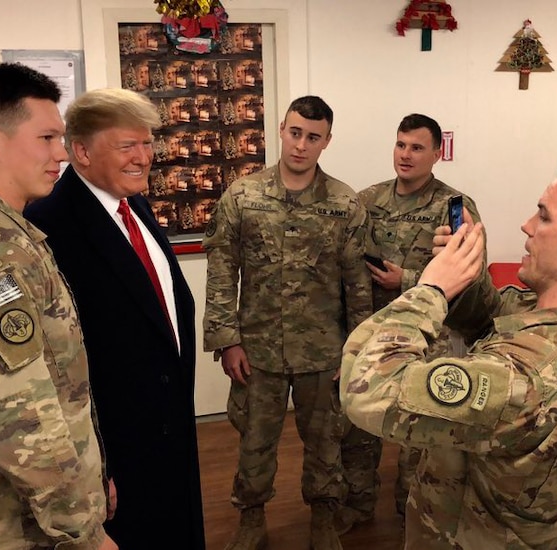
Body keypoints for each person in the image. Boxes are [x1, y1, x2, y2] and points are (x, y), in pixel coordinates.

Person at [341, 154, 557, 548]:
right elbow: (500, 318)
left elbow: (368, 388)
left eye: (544, 217)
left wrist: (431, 292)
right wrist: (462, 276)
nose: (526, 226)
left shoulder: (532, 377)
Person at [0, 63, 116, 549]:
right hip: (6, 524)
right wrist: (83, 527)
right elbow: (18, 417)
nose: (61, 153)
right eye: (46, 138)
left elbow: (59, 382)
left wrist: (92, 476)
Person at [24, 88, 205, 549]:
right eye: (128, 146)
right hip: (116, 453)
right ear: (81, 151)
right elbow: (55, 367)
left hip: (168, 434)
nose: (143, 158)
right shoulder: (49, 226)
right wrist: (95, 466)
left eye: (147, 144)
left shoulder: (133, 203)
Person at [203, 95, 372, 550]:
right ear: (281, 129)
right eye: (295, 132)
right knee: (254, 442)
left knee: (325, 442)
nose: (301, 145)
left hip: (324, 350)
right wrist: (227, 340)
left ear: (326, 142)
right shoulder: (242, 195)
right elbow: (222, 271)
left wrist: (356, 351)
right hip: (257, 349)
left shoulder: (344, 203)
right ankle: (251, 518)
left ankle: (322, 518)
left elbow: (357, 284)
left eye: (313, 137)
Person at [338, 113, 484, 533]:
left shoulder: (454, 207)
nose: (405, 155)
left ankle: (410, 512)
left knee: (417, 437)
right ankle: (358, 504)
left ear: (438, 154)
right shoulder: (367, 200)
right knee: (357, 431)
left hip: (428, 341)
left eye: (417, 147)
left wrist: (407, 279)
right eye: (401, 145)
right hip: (373, 331)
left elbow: (470, 276)